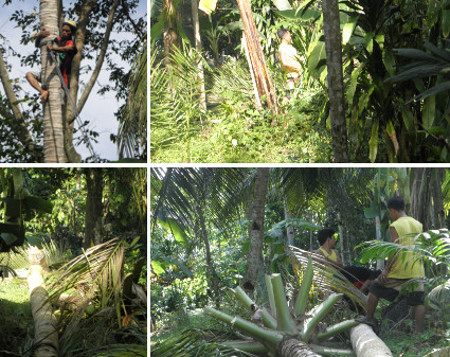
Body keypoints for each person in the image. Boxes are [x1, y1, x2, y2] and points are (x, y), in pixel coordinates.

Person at [361, 196, 426, 334]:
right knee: (419, 301)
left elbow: (394, 250)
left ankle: (368, 317)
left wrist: (386, 270)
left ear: (393, 210)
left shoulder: (395, 225)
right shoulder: (418, 224)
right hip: (417, 270)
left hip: (401, 270)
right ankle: (418, 333)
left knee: (374, 287)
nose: (390, 214)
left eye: (390, 212)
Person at [26, 20, 77, 102]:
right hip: (47, 75)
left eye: (67, 31)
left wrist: (54, 48)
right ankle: (42, 91)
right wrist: (39, 36)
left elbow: (68, 48)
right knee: (29, 74)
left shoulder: (70, 44)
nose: (64, 32)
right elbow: (38, 44)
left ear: (72, 33)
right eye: (63, 30)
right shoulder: (57, 39)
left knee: (56, 105)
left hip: (61, 81)